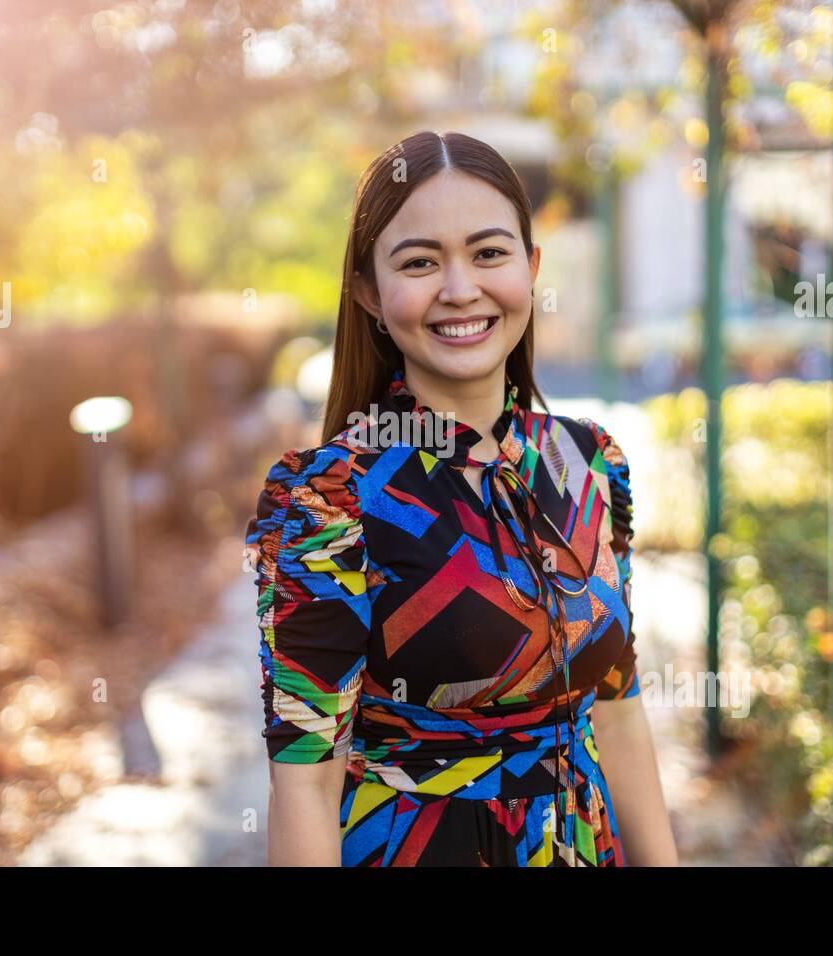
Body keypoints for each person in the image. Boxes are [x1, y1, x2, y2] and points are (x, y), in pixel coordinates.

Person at [246, 130, 678, 867]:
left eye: (488, 253)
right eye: (420, 262)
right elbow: (306, 784)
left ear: (531, 268)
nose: (460, 289)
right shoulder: (328, 500)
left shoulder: (590, 463)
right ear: (368, 293)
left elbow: (618, 708)